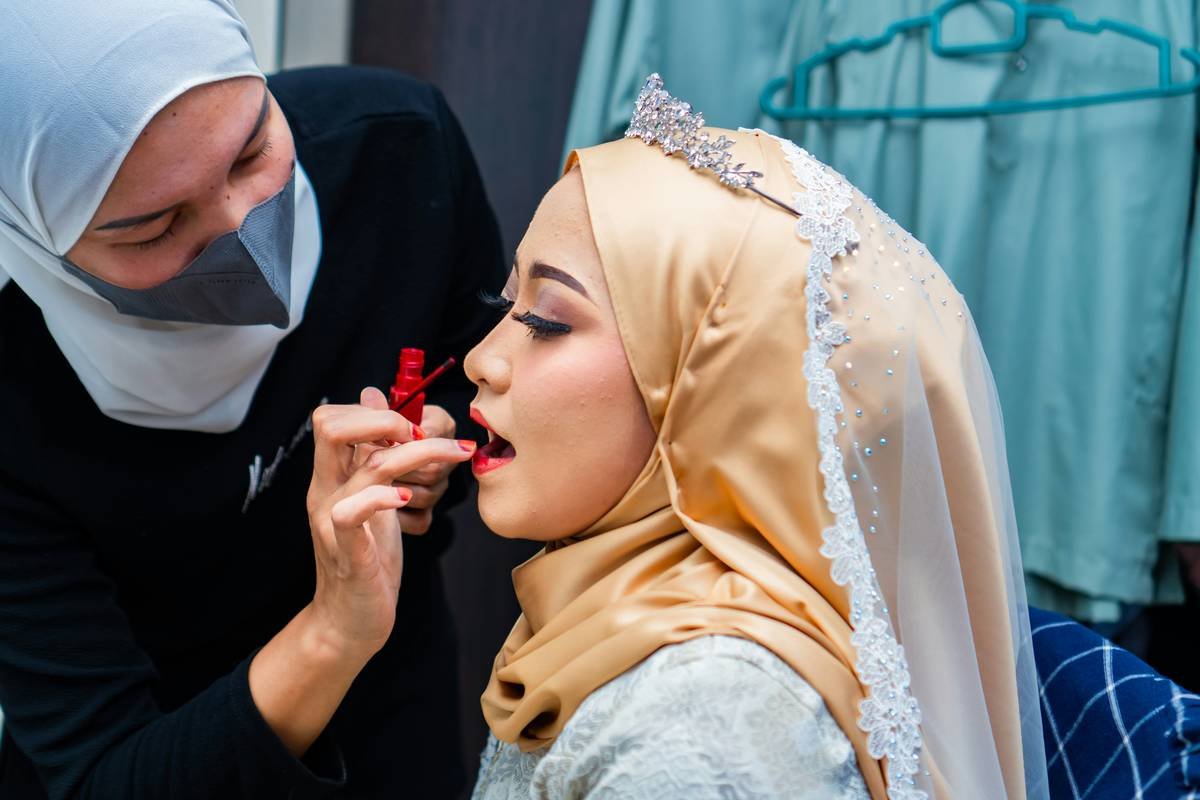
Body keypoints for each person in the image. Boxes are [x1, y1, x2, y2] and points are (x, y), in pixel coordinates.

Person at [311, 75, 1050, 797]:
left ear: (714, 391)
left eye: (547, 321)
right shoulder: (625, 609)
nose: (481, 359)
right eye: (507, 307)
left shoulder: (697, 729)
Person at [0, 2, 502, 798]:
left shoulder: (395, 144)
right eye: (154, 227)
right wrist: (333, 629)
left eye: (251, 153)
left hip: (392, 711)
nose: (245, 229)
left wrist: (450, 455)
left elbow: (488, 374)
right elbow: (102, 772)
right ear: (34, 238)